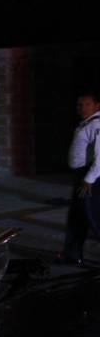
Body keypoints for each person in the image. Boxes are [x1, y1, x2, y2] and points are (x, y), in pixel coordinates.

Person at [59, 89, 100, 265]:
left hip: (90, 178)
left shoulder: (97, 125)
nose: (82, 108)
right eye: (80, 105)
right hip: (82, 176)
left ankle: (72, 254)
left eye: (87, 104)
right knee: (77, 217)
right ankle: (72, 255)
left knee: (94, 217)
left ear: (97, 106)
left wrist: (89, 179)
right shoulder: (86, 124)